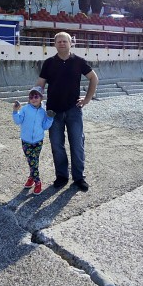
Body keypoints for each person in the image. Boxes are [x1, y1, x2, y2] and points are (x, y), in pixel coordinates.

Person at [35, 31, 98, 192]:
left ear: (71, 43)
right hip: (53, 111)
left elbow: (93, 78)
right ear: (55, 44)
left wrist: (87, 99)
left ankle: (79, 178)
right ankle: (62, 176)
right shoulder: (48, 63)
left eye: (65, 41)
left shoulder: (79, 62)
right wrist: (34, 100)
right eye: (59, 42)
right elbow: (40, 84)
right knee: (57, 145)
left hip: (73, 110)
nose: (62, 44)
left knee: (77, 144)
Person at [12, 86, 55, 195]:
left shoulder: (43, 112)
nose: (33, 99)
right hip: (26, 141)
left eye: (36, 96)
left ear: (41, 98)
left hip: (38, 141)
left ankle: (31, 177)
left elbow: (45, 126)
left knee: (34, 161)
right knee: (32, 161)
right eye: (31, 97)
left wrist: (50, 118)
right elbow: (18, 121)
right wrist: (15, 111)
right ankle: (38, 182)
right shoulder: (25, 109)